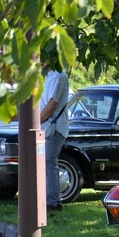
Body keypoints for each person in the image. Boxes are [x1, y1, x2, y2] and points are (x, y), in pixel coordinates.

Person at [39, 57, 70, 212]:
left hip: (55, 127)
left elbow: (51, 106)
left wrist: (34, 121)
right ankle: (53, 201)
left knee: (48, 162)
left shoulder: (58, 76)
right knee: (46, 163)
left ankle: (52, 203)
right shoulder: (47, 76)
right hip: (47, 126)